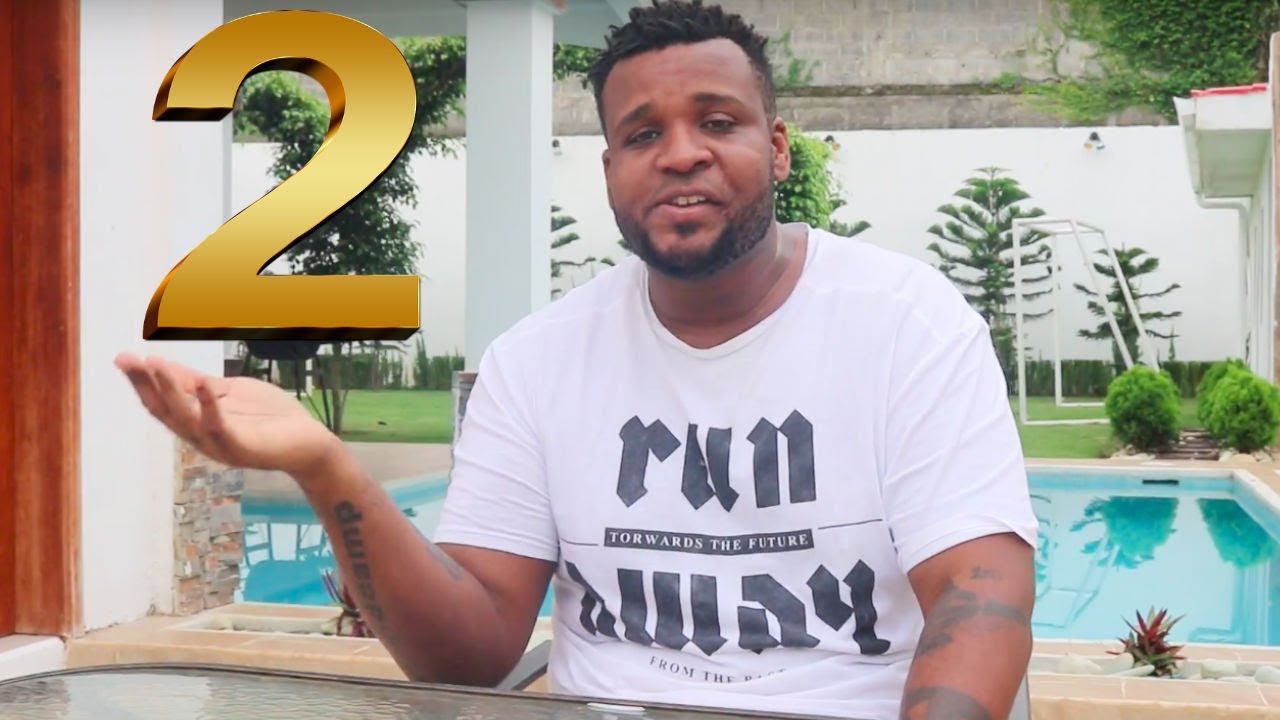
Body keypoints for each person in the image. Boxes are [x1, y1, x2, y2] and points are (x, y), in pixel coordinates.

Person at [115, 2, 1037, 718]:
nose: (681, 155)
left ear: (777, 147)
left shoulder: (907, 325)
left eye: (718, 122)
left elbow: (980, 600)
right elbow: (469, 655)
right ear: (609, 173)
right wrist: (327, 468)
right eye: (643, 134)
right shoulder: (538, 362)